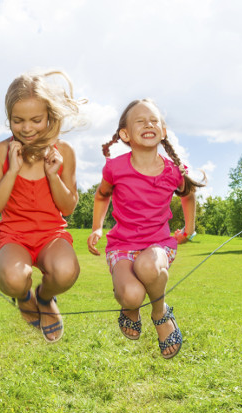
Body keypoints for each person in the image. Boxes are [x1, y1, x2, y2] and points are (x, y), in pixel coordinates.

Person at [87, 99, 203, 360]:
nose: (149, 124)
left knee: (149, 266)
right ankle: (130, 309)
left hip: (159, 245)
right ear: (125, 134)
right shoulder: (115, 168)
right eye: (140, 120)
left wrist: (188, 230)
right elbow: (102, 195)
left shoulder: (173, 171)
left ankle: (160, 312)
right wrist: (97, 228)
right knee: (131, 295)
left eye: (154, 120)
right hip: (121, 246)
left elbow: (189, 195)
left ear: (163, 130)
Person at [0, 71, 82, 343]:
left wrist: (52, 175)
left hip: (52, 234)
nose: (27, 128)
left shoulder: (65, 152)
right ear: (9, 119)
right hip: (14, 235)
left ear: (49, 116)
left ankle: (45, 297)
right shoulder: (0, 152)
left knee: (66, 272)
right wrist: (12, 171)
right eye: (18, 121)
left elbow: (68, 207)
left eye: (36, 120)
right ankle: (24, 296)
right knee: (12, 278)